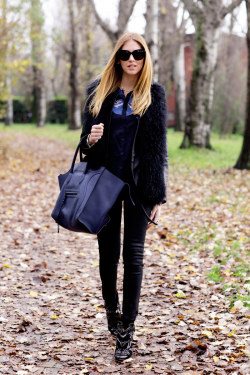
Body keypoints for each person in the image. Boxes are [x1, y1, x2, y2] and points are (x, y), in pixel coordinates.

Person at [80, 32, 168, 361]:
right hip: (104, 183)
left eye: (138, 53)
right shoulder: (98, 92)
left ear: (145, 58)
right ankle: (111, 312)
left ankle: (127, 329)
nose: (132, 59)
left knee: (133, 259)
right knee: (108, 256)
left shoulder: (154, 95)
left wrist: (158, 194)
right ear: (117, 57)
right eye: (126, 53)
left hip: (138, 188)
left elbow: (160, 150)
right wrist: (91, 138)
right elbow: (84, 146)